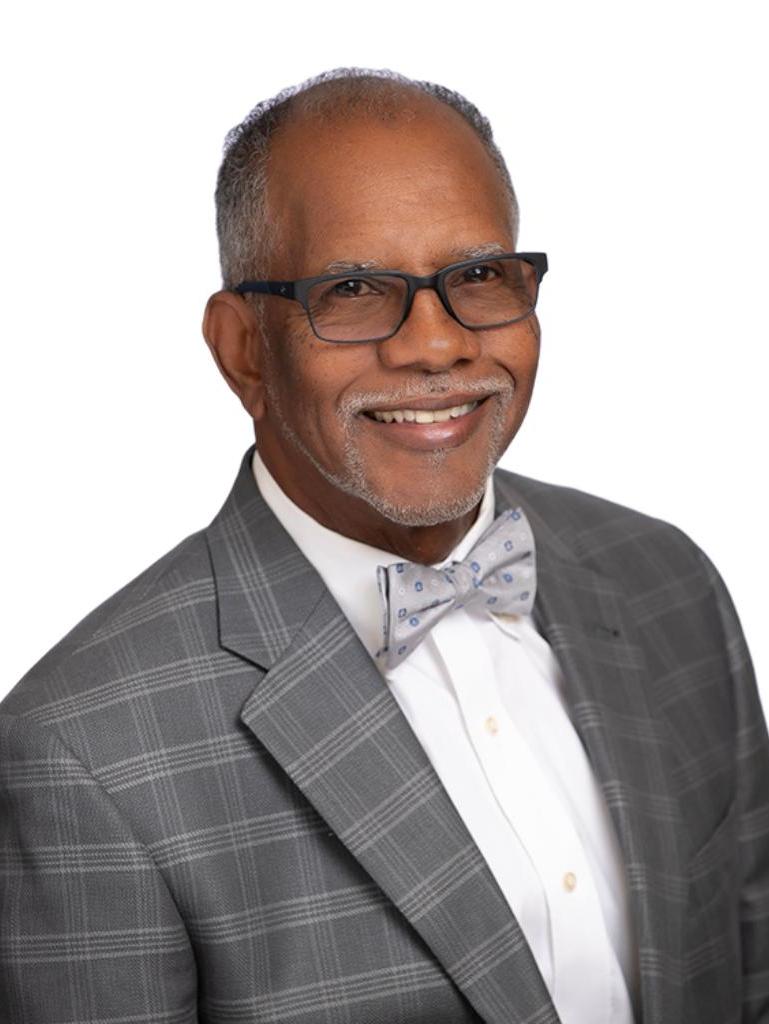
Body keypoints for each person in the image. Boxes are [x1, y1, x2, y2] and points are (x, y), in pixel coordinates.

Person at [1, 68, 767, 1024]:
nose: (435, 346)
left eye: (477, 276)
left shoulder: (667, 581)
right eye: (354, 289)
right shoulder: (83, 754)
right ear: (244, 349)